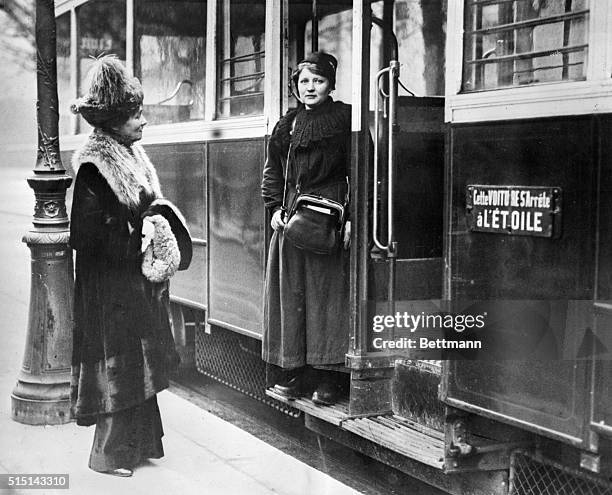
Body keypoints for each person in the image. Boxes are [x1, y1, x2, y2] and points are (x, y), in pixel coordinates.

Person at [69, 56, 190, 477]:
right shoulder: (93, 164)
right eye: (136, 115)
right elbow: (85, 235)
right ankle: (108, 455)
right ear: (116, 120)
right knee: (117, 367)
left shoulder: (128, 152)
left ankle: (138, 446)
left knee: (137, 361)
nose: (143, 121)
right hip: (108, 287)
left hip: (130, 281)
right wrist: (135, 235)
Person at [261, 52, 352, 406]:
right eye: (304, 82)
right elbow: (272, 171)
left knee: (325, 301)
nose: (310, 88)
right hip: (291, 221)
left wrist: (355, 218)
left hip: (328, 221)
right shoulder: (288, 125)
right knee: (292, 297)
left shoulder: (345, 119)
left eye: (318, 80)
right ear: (295, 87)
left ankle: (328, 379)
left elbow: (361, 169)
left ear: (330, 84)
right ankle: (295, 372)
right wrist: (272, 208)